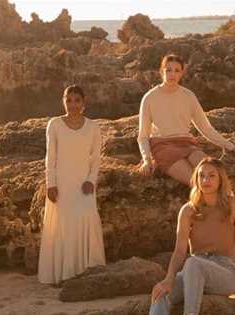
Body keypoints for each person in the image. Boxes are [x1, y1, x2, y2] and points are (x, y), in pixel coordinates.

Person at [38, 85, 106, 284]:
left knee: (86, 217)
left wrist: (91, 180)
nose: (73, 104)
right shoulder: (54, 124)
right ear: (63, 101)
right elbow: (50, 157)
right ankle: (62, 275)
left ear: (83, 103)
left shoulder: (93, 127)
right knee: (63, 225)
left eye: (77, 100)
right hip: (62, 184)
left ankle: (86, 270)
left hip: (83, 184)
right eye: (69, 100)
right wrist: (51, 183)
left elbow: (96, 158)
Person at [149, 157, 235, 315]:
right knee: (160, 294)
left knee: (193, 263)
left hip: (227, 271)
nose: (205, 180)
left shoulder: (232, 205)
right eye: (201, 176)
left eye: (211, 175)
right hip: (193, 272)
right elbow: (180, 251)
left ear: (221, 179)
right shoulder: (188, 211)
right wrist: (168, 279)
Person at [138, 54, 235, 185]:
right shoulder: (149, 97)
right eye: (168, 70)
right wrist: (147, 159)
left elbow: (206, 129)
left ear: (182, 73)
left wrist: (230, 146)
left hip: (187, 144)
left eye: (177, 70)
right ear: (162, 72)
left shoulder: (188, 96)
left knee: (214, 176)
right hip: (163, 146)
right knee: (197, 183)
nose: (172, 74)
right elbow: (143, 136)